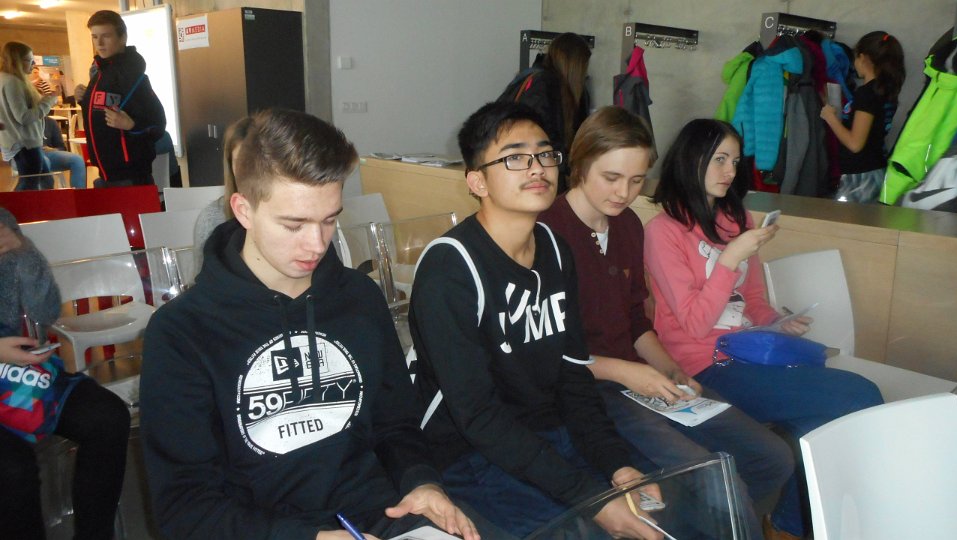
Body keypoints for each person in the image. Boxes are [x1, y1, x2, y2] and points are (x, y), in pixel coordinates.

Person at [140, 109, 484, 540]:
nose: (317, 244)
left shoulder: (358, 298)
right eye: (294, 224)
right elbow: (185, 508)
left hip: (379, 516)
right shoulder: (182, 332)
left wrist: (421, 482)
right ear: (243, 210)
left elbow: (396, 424)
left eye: (329, 219)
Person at [410, 101, 663, 539]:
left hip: (549, 433)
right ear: (477, 181)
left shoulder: (554, 247)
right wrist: (590, 498)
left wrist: (617, 464)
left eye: (545, 154)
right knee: (590, 531)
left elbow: (574, 376)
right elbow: (479, 417)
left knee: (659, 505)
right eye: (515, 158)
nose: (537, 167)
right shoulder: (450, 268)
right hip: (470, 455)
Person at [539, 106, 794, 539]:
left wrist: (671, 370)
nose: (624, 193)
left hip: (639, 380)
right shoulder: (546, 232)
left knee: (772, 457)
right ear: (579, 166)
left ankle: (716, 524)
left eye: (637, 180)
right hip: (586, 388)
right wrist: (629, 373)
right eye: (612, 177)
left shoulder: (627, 225)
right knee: (713, 480)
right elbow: (545, 353)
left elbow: (635, 320)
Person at [644, 118, 883, 540]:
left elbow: (752, 299)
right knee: (858, 395)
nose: (730, 171)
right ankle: (790, 523)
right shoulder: (663, 232)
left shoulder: (736, 218)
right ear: (691, 159)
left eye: (735, 161)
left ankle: (789, 522)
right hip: (705, 364)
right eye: (719, 159)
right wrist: (730, 258)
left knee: (833, 405)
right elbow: (695, 323)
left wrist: (777, 322)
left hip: (751, 352)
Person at [0, 207, 130, 540]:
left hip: (17, 375)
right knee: (12, 469)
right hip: (9, 368)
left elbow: (46, 312)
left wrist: (22, 250)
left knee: (108, 417)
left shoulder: (3, 223)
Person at [77, 10, 166, 187]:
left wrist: (132, 125)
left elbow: (158, 124)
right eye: (95, 37)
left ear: (123, 37)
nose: (99, 43)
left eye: (106, 36)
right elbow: (104, 108)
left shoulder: (132, 75)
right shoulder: (99, 71)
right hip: (105, 174)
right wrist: (84, 99)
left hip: (131, 177)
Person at [820, 31, 905, 203]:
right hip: (874, 169)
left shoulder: (867, 94)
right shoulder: (885, 91)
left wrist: (830, 118)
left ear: (863, 57)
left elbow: (855, 144)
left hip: (860, 177)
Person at [502, 32, 591, 193]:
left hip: (522, 166)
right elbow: (539, 133)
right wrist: (565, 167)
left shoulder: (533, 77)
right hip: (538, 169)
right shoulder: (544, 83)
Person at [192, 117, 252, 271]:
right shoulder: (213, 218)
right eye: (241, 163)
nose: (250, 173)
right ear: (230, 167)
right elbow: (202, 277)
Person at [0, 41, 58, 190]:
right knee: (29, 186)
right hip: (25, 143)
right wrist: (48, 102)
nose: (33, 64)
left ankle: (45, 205)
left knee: (45, 181)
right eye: (29, 60)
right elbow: (24, 117)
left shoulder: (5, 80)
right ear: (16, 61)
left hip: (19, 142)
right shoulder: (12, 83)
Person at [41, 115, 87, 189]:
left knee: (77, 160)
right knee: (44, 162)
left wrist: (54, 150)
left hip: (48, 153)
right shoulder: (22, 122)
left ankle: (79, 194)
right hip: (28, 155)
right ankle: (46, 195)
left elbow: (61, 147)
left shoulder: (50, 122)